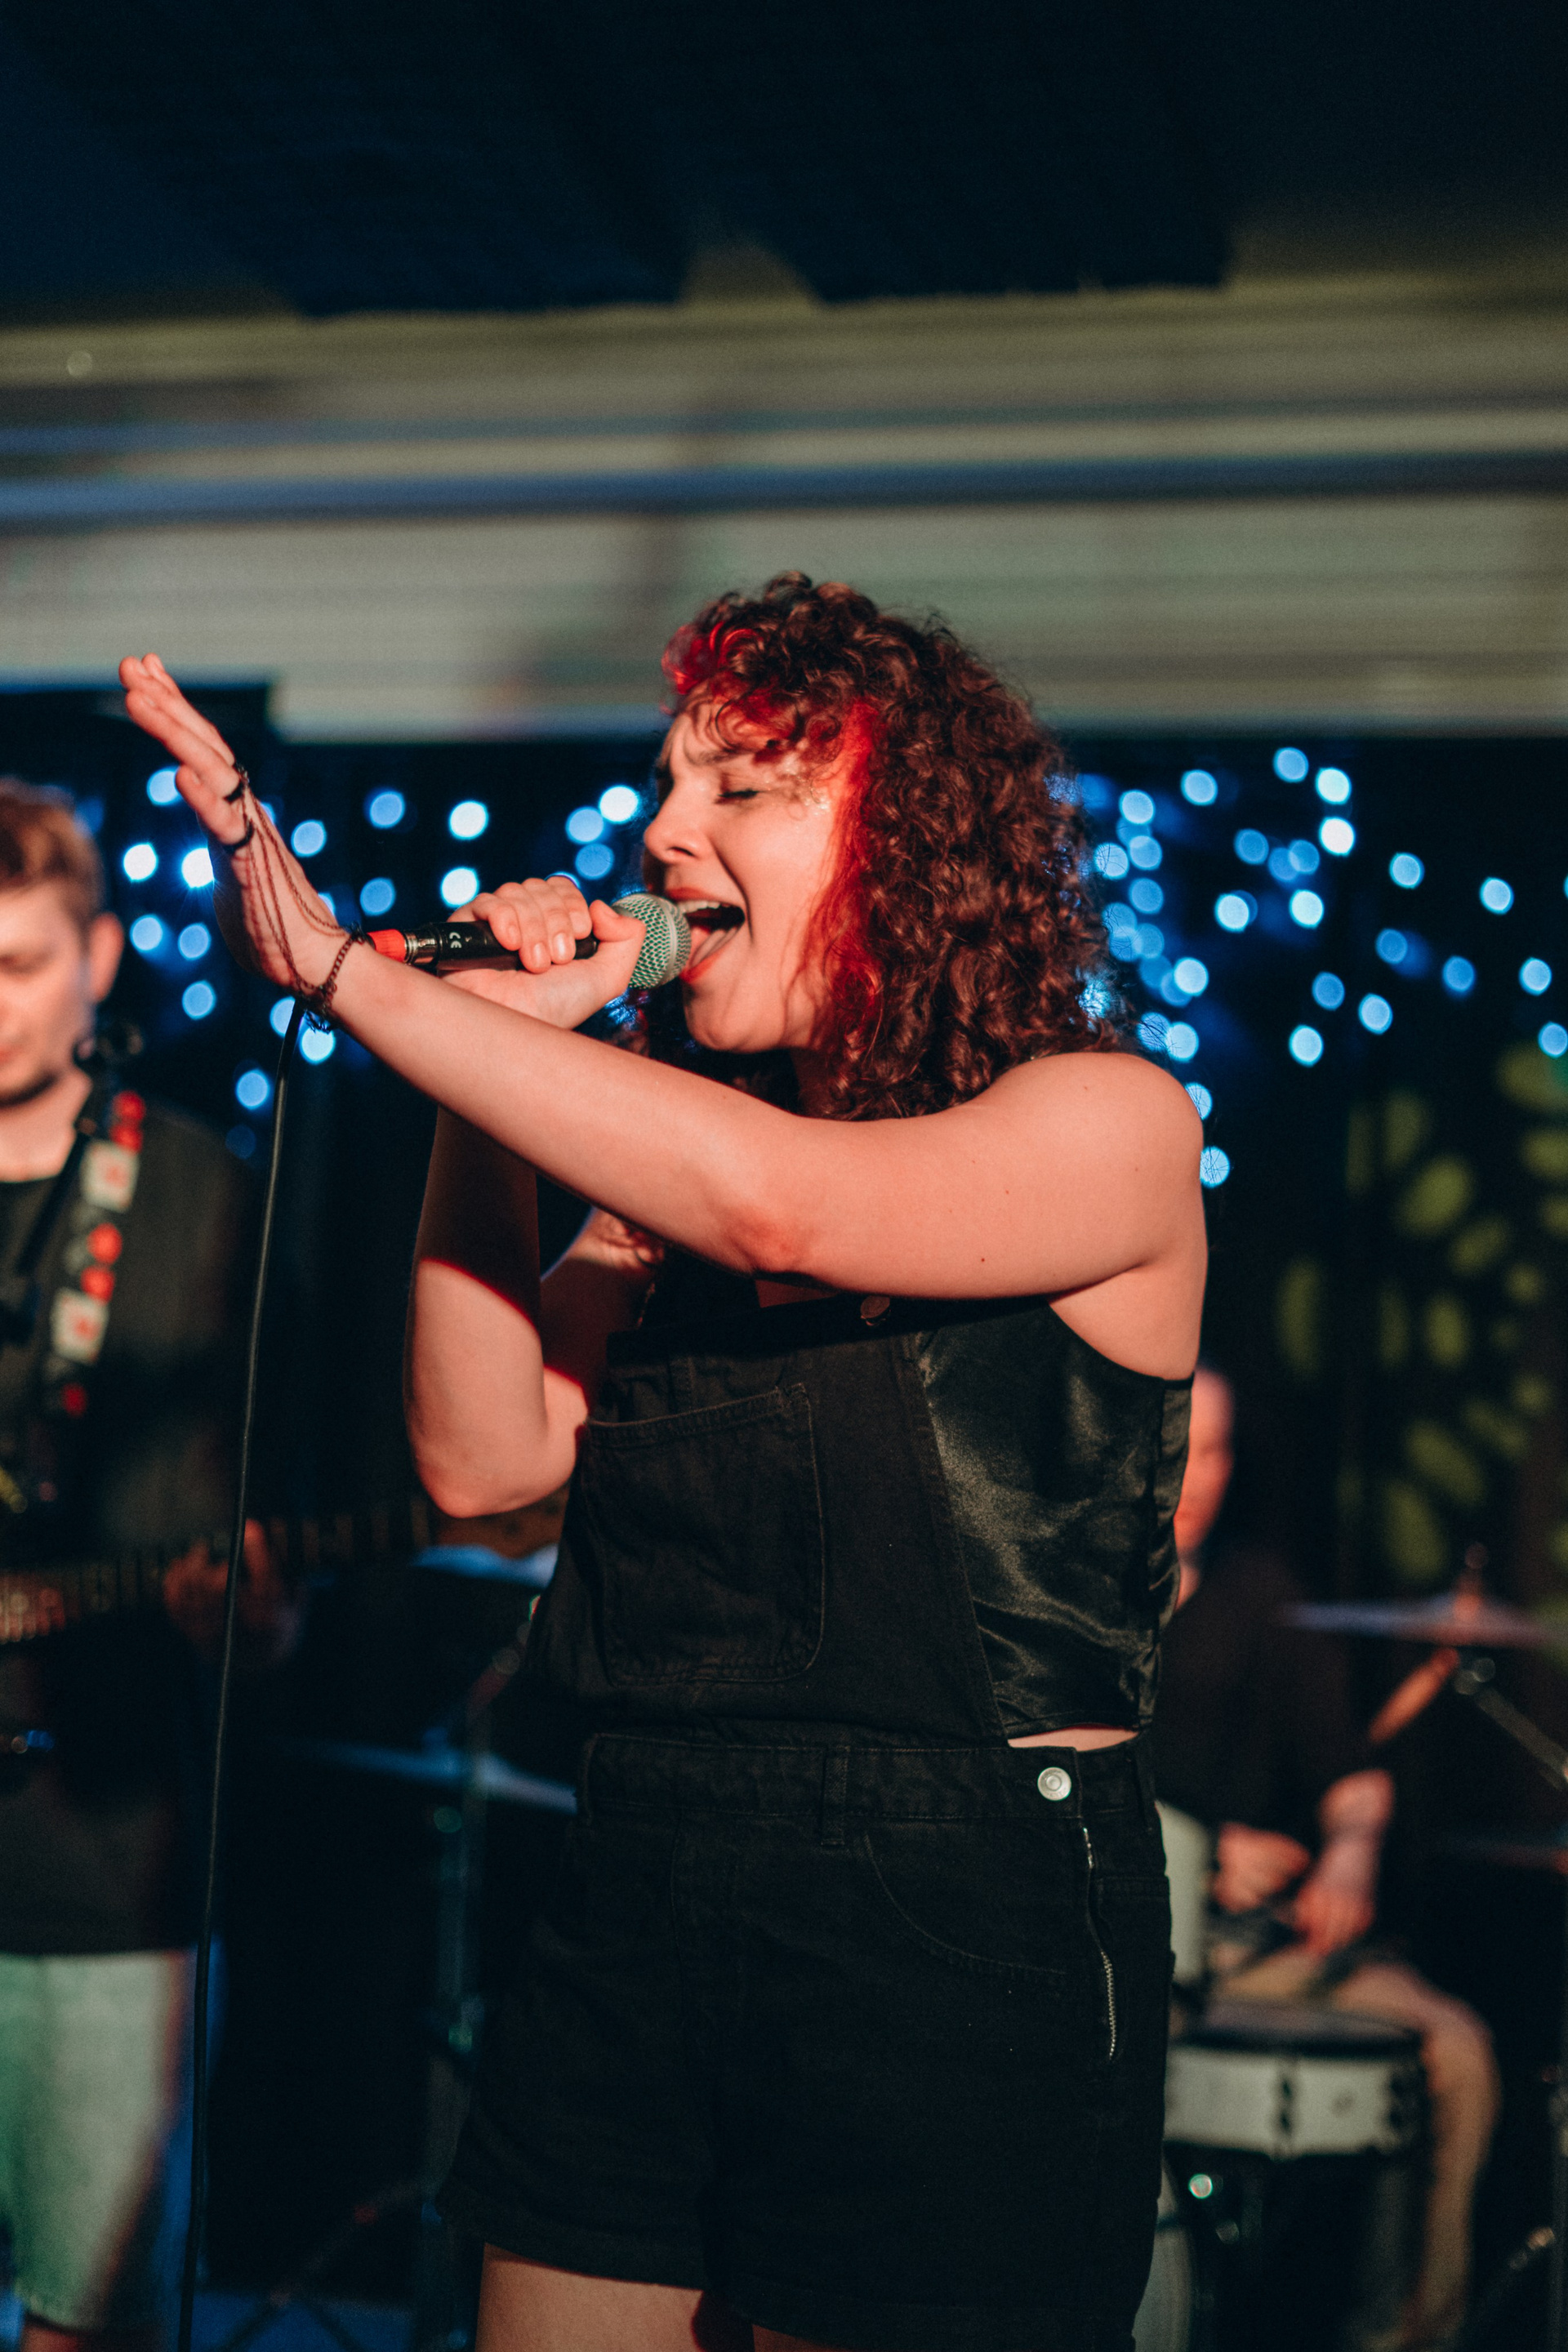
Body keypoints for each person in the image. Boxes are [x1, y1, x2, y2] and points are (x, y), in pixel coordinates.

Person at [122, 571, 1205, 2352]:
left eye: (742, 788)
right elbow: (483, 1460)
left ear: (911, 843)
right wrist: (489, 1068)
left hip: (956, 1911)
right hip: (645, 1868)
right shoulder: (663, 1197)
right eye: (669, 782)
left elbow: (786, 1211)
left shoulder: (1104, 1119)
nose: (663, 832)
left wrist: (341, 971)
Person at [0, 780, 296, 2352]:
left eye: (19, 964)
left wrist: (256, 1612)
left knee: (90, 2321)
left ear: (99, 960)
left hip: (106, 1875)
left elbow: (278, 1587)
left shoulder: (197, 1192)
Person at [1152, 1365, 1499, 2352]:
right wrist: (1193, 1857)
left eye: (1217, 1451)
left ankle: (1404, 2334)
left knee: (1457, 2053)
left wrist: (1350, 1853)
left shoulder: (1263, 1597)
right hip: (1125, 1956)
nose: (1198, 1475)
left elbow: (1347, 1775)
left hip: (1254, 1953)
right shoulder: (1075, 1610)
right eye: (1180, 1448)